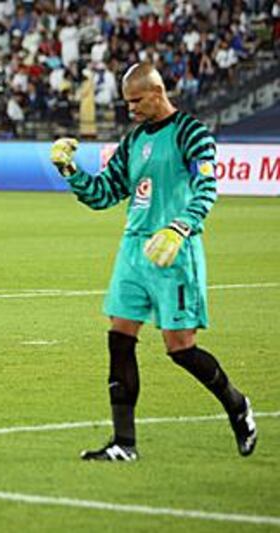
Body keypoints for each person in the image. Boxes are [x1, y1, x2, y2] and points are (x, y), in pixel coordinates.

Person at [49, 62, 256, 461]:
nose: (131, 110)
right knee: (119, 337)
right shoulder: (133, 141)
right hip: (134, 250)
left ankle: (237, 405)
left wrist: (179, 228)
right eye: (127, 103)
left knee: (180, 348)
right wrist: (71, 171)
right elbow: (104, 193)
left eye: (136, 101)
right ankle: (124, 444)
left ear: (157, 92)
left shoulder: (191, 134)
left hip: (174, 250)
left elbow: (207, 187)